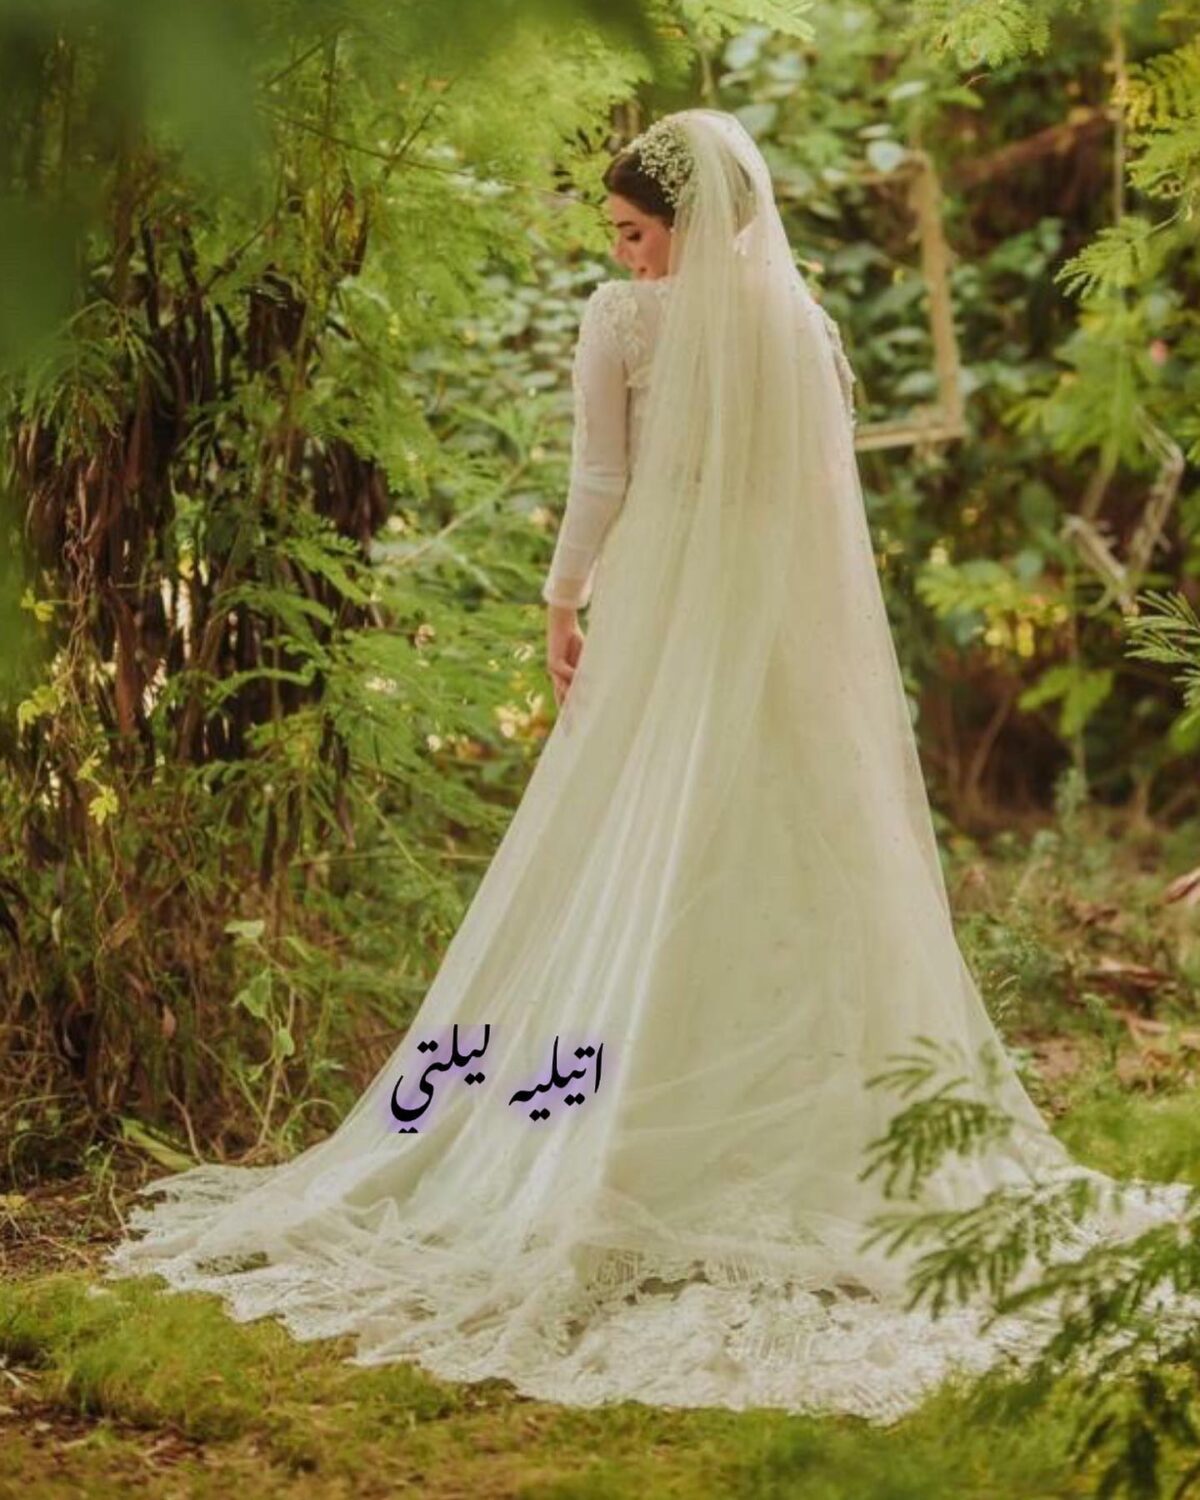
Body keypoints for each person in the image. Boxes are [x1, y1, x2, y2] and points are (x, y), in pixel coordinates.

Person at [102, 109, 1197, 1423]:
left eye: (633, 231)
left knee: (627, 848)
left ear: (687, 219)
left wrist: (562, 601)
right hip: (776, 643)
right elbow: (817, 503)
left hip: (665, 628)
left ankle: (584, 1122)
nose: (623, 255)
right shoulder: (800, 324)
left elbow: (600, 476)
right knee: (782, 853)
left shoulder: (625, 321)